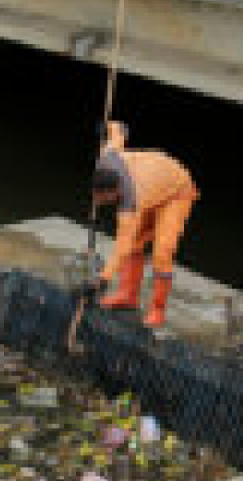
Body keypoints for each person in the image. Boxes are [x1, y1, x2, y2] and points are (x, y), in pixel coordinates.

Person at [83, 121, 199, 328]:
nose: (98, 201)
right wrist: (107, 126)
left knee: (162, 251)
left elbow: (121, 247)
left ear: (115, 191)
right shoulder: (106, 157)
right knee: (136, 244)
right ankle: (128, 296)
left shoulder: (130, 203)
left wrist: (102, 279)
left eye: (103, 198)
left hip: (176, 192)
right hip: (152, 183)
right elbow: (120, 131)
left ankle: (158, 310)